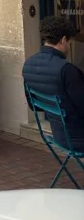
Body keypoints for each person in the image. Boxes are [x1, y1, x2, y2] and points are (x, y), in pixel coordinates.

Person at [23, 15, 84, 151]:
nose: (69, 47)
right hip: (79, 138)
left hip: (58, 135)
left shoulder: (28, 64)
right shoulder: (67, 70)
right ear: (63, 40)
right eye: (69, 43)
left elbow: (34, 106)